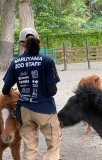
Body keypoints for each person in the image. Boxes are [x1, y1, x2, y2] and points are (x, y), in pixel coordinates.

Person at [2, 28, 61, 160]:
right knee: (53, 144)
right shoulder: (47, 61)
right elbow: (53, 91)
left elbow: (5, 90)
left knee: (29, 147)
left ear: (22, 44)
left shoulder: (15, 62)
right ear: (38, 41)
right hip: (46, 109)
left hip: (25, 110)